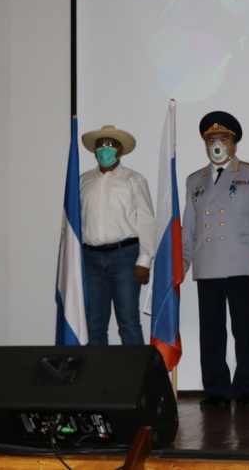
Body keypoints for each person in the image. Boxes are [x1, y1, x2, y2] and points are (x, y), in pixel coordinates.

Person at [182, 111, 249, 409]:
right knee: (211, 332)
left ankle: (247, 388)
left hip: (241, 264)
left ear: (234, 143)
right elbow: (189, 227)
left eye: (223, 138)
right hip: (207, 264)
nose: (216, 144)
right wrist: (181, 264)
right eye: (211, 140)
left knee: (244, 330)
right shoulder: (194, 180)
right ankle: (217, 390)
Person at [79, 124, 155, 345]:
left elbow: (146, 221)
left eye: (111, 145)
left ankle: (136, 368)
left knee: (128, 322)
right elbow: (77, 220)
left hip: (124, 257)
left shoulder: (134, 180)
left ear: (121, 150)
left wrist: (144, 261)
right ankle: (98, 367)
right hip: (90, 258)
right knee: (94, 323)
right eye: (101, 145)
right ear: (94, 151)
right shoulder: (83, 181)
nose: (105, 149)